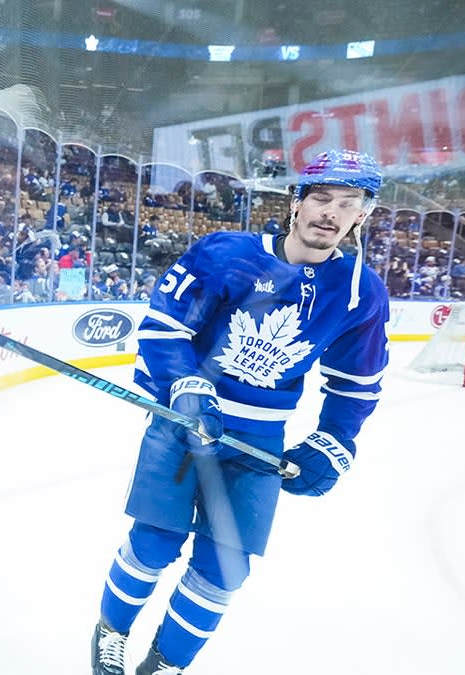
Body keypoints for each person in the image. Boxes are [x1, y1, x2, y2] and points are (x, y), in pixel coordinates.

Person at [89, 150, 391, 675]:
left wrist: (336, 441)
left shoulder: (362, 294)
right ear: (296, 202)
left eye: (349, 203)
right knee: (155, 541)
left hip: (258, 439)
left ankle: (164, 664)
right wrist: (183, 386)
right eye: (321, 198)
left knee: (225, 570)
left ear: (361, 215)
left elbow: (357, 383)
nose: (332, 213)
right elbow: (164, 326)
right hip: (184, 419)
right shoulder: (227, 253)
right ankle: (112, 631)